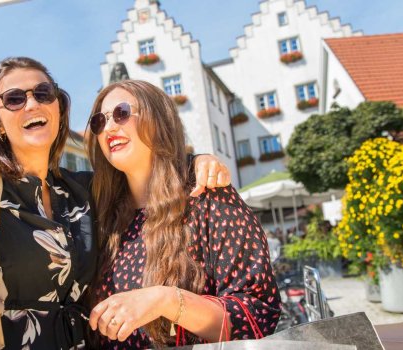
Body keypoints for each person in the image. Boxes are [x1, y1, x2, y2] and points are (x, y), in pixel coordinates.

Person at [0, 2, 231, 348]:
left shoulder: (83, 190)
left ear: (59, 111)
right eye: (14, 99)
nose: (31, 104)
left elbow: (146, 175)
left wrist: (195, 162)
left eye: (43, 94)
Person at [86, 80, 281, 348]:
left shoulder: (208, 198)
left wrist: (165, 300)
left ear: (159, 119)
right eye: (99, 121)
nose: (108, 127)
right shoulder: (98, 212)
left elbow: (257, 317)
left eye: (121, 112)